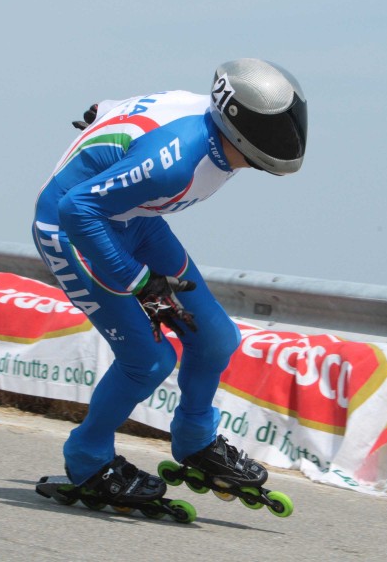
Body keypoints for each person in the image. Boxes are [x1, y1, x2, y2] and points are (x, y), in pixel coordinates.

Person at [32, 58, 307, 505]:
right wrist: (140, 283)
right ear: (239, 123)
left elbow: (116, 107)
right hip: (74, 232)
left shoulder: (207, 124)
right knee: (149, 360)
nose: (289, 140)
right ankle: (88, 459)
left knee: (216, 339)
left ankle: (195, 440)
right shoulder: (175, 164)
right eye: (277, 130)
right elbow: (76, 209)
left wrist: (101, 116)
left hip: (132, 221)